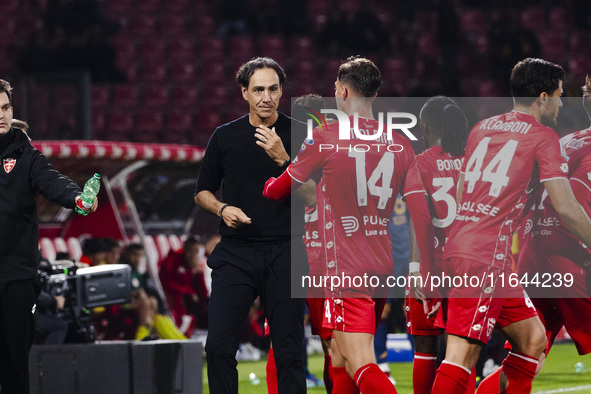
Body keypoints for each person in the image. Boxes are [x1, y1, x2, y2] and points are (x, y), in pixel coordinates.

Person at [264, 56, 436, 394]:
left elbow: (277, 191)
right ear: (374, 94)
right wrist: (417, 266)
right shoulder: (401, 143)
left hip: (345, 267)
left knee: (360, 363)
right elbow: (421, 212)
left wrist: (271, 174)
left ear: (342, 92)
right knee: (340, 359)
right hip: (383, 264)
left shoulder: (325, 137)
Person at [431, 58, 591, 393]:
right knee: (462, 354)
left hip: (472, 247)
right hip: (485, 257)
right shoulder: (543, 137)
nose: (563, 103)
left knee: (532, 340)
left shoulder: (482, 127)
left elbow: (462, 193)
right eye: (560, 95)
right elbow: (566, 207)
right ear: (543, 97)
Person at [193, 57, 308, 394]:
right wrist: (222, 207)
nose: (266, 97)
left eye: (273, 89)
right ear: (244, 92)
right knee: (217, 347)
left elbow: (318, 196)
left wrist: (285, 160)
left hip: (286, 250)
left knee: (288, 351)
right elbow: (201, 191)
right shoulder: (224, 137)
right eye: (258, 89)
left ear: (282, 91)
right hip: (237, 251)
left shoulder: (301, 134)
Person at [477, 76, 591, 393]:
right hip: (570, 255)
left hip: (531, 253)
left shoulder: (565, 142)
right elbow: (576, 202)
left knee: (530, 352)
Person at [0, 79, 97, 393]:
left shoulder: (24, 154)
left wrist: (78, 198)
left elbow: (52, 181)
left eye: (5, 108)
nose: (1, 115)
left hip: (17, 278)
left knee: (15, 365)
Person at [404, 96, 471, 393]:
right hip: (468, 265)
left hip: (433, 263)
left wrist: (415, 269)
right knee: (463, 350)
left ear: (425, 126)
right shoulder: (474, 160)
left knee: (424, 344)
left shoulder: (420, 163)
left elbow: (420, 220)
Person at [158, 237, 204, 336]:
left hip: (188, 300)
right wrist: (188, 291)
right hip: (173, 297)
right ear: (184, 249)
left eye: (195, 252)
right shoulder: (173, 259)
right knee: (181, 297)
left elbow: (202, 293)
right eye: (190, 250)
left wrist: (199, 273)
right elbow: (167, 284)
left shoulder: (194, 266)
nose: (192, 254)